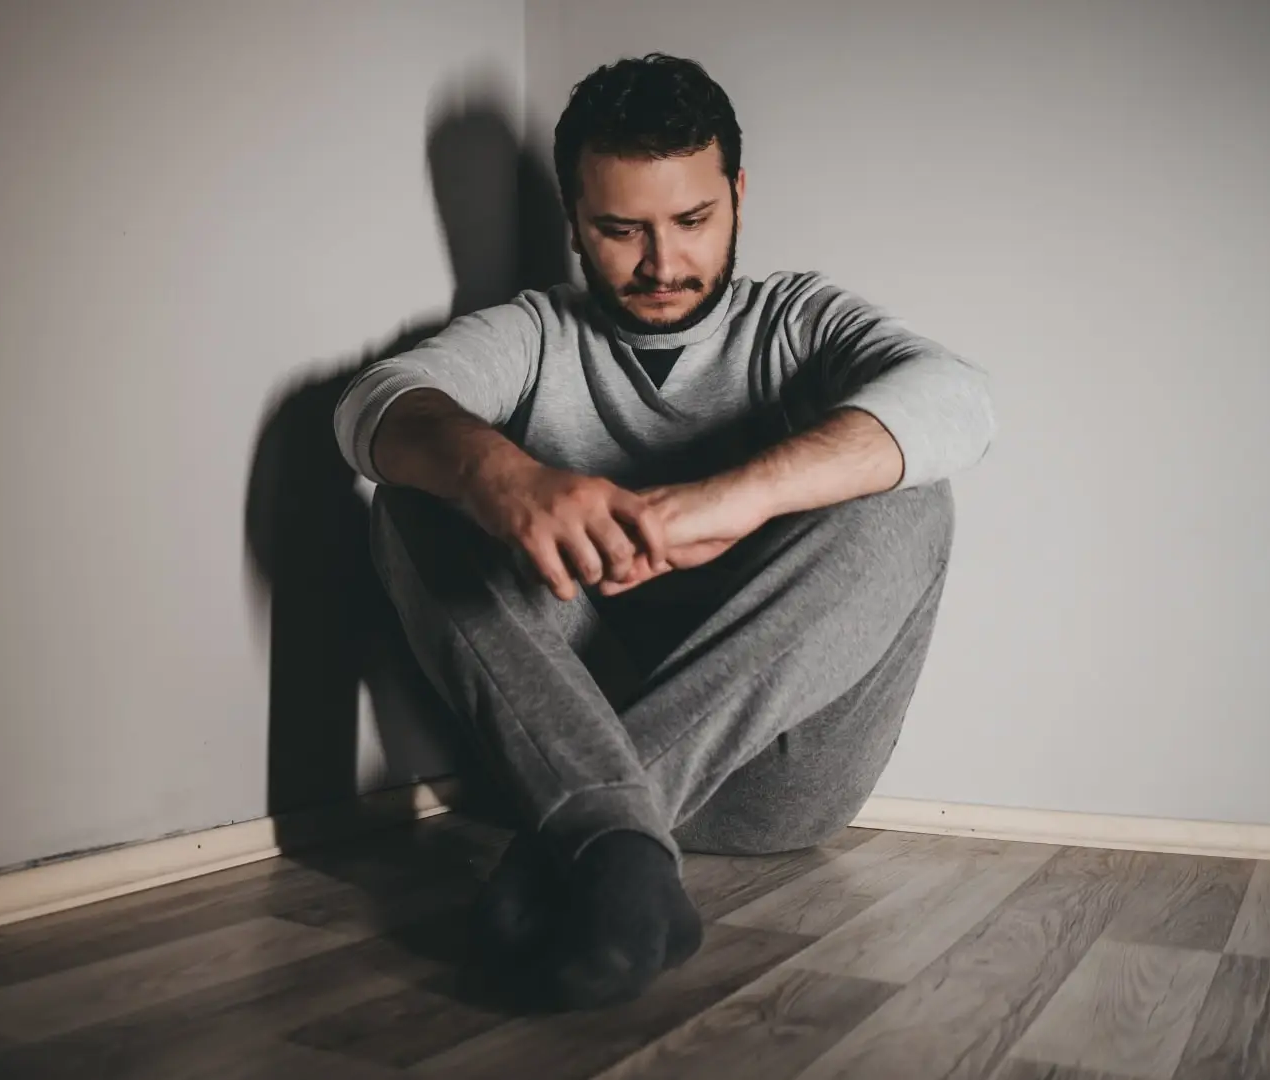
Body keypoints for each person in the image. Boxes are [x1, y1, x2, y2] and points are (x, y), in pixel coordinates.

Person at [332, 53, 996, 1011]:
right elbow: (375, 402)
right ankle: (622, 858)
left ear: (737, 193)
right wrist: (502, 476)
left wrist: (738, 497)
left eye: (693, 220)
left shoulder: (795, 323)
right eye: (619, 229)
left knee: (911, 494)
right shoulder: (534, 334)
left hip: (770, 784)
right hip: (564, 747)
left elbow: (961, 399)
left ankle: (598, 840)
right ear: (571, 219)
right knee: (415, 489)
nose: (663, 263)